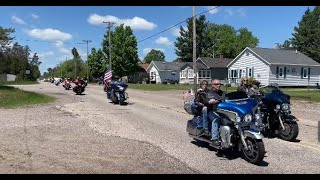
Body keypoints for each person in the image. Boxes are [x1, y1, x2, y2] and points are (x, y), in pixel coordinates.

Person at [203, 79, 225, 147]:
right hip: (212, 111)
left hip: (222, 111)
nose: (218, 85)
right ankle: (214, 139)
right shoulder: (209, 93)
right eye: (216, 84)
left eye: (219, 84)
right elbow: (206, 101)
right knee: (216, 119)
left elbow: (227, 97)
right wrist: (210, 101)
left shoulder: (222, 92)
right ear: (212, 85)